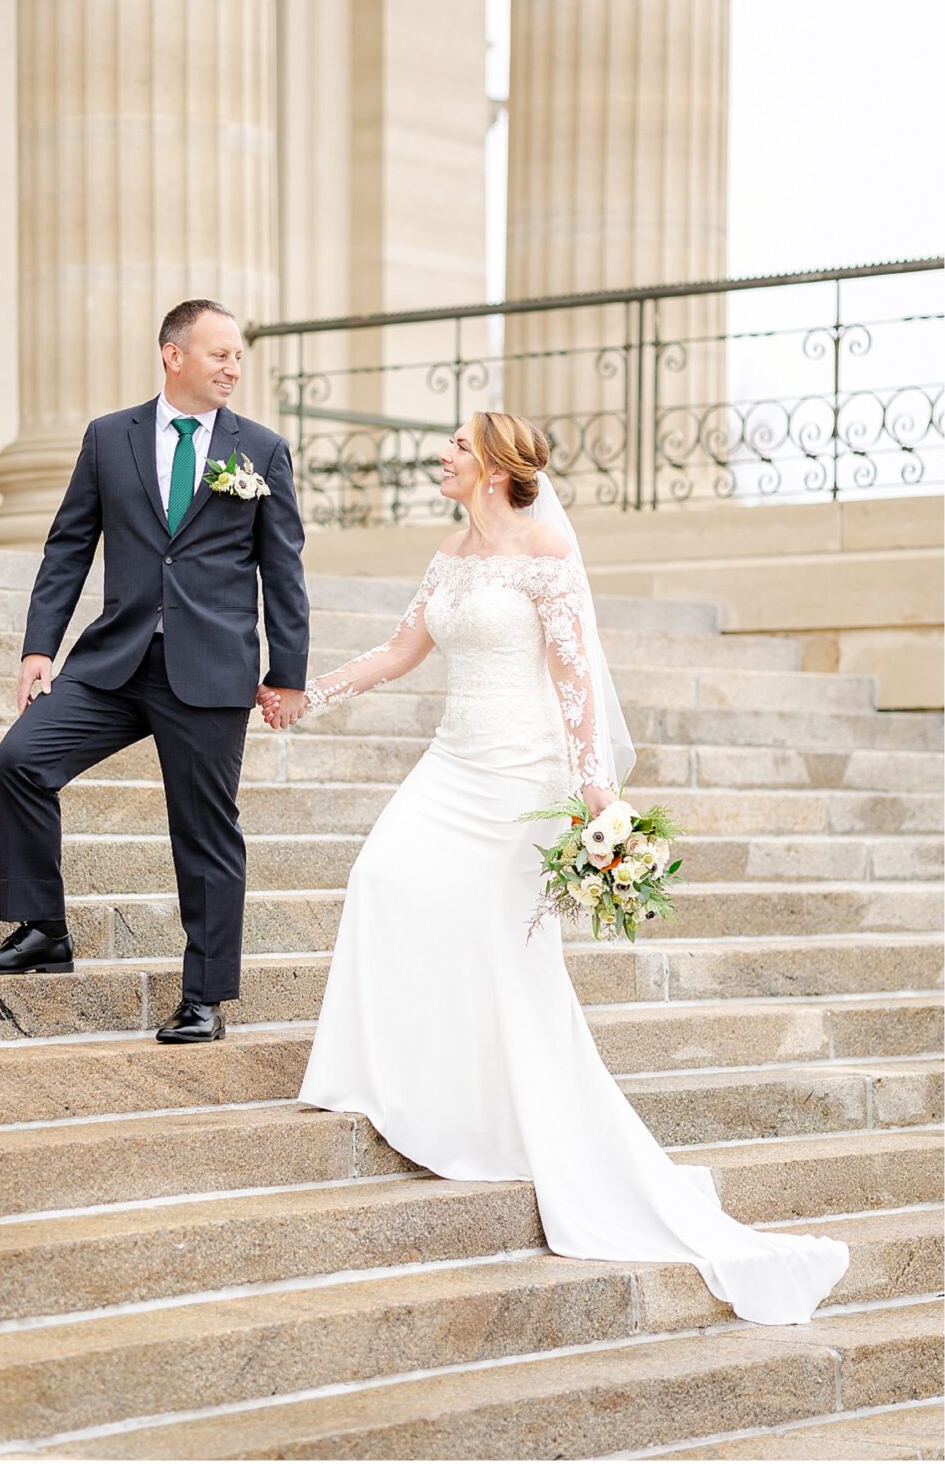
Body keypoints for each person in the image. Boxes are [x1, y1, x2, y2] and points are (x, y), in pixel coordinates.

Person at [257, 410, 850, 1326]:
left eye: (457, 447)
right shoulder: (450, 555)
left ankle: (503, 1113)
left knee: (501, 949)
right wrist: (307, 695)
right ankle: (386, 1076)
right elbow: (402, 651)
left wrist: (592, 798)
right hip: (451, 762)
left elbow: (576, 684)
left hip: (520, 776)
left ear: (495, 466)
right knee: (381, 876)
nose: (442, 457)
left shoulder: (546, 554)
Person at [0, 300, 310, 1043]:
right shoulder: (109, 437)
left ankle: (205, 997)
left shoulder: (262, 450)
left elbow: (283, 573)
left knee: (205, 830)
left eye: (237, 356)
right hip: (113, 660)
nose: (232, 368)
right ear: (171, 355)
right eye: (217, 354)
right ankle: (43, 930)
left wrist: (288, 673)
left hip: (210, 670)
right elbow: (67, 545)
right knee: (18, 760)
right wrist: (38, 648)